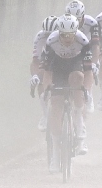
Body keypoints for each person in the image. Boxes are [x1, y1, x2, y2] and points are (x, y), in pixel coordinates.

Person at [38, 15, 93, 152]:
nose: (67, 39)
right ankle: (56, 151)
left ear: (76, 32)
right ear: (59, 33)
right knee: (56, 104)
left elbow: (88, 71)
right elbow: (47, 72)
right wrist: (47, 89)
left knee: (78, 78)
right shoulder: (51, 41)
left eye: (70, 35)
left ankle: (79, 122)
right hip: (57, 67)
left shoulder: (83, 40)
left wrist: (87, 91)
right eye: (64, 35)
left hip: (75, 64)